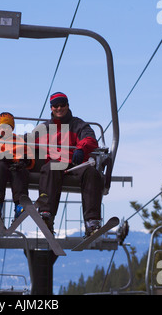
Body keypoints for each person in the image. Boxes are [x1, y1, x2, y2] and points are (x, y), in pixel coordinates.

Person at [27, 92, 103, 237]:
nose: (59, 108)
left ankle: (92, 221)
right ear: (51, 108)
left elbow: (90, 139)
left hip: (76, 163)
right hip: (57, 162)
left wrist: (81, 148)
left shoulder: (78, 125)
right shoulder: (44, 128)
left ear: (67, 106)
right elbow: (29, 141)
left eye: (62, 105)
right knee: (50, 167)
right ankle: (46, 214)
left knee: (92, 173)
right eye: (56, 106)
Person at [0, 112, 35, 219]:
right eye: (2, 127)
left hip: (15, 165)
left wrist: (25, 161)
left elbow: (29, 157)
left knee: (19, 170)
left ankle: (20, 203)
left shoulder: (19, 141)